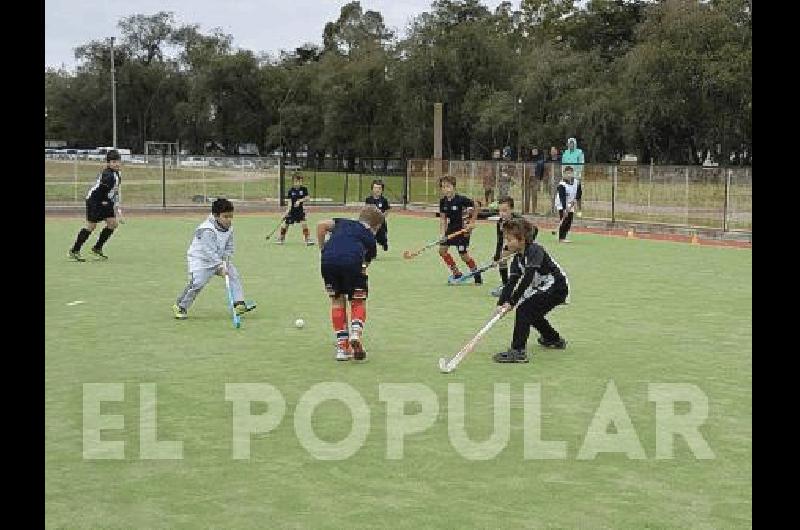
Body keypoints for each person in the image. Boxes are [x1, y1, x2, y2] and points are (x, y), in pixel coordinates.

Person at [492, 217, 569, 363]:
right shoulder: (517, 259)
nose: (507, 244)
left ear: (522, 239)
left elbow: (527, 278)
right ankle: (552, 338)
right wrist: (501, 304)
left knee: (525, 310)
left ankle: (518, 351)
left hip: (557, 286)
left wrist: (513, 302)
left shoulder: (535, 250)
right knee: (532, 312)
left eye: (509, 240)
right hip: (543, 287)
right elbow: (511, 282)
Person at [317, 205, 385, 361]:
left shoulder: (342, 222)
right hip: (353, 264)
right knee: (358, 300)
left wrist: (323, 250)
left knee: (337, 301)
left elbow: (321, 225)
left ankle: (342, 348)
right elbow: (365, 265)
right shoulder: (370, 238)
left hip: (328, 262)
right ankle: (355, 332)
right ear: (376, 226)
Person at [172, 198, 256, 320]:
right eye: (225, 217)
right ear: (216, 216)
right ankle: (180, 306)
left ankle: (238, 304)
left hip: (218, 259)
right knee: (197, 283)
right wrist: (220, 266)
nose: (229, 220)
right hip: (201, 260)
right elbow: (208, 252)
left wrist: (225, 262)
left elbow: (229, 247)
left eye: (231, 216)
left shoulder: (229, 228)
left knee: (233, 274)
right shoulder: (206, 230)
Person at [68, 149, 124, 261]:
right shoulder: (108, 176)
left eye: (117, 161)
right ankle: (75, 250)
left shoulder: (117, 173)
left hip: (106, 200)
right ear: (108, 163)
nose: (116, 163)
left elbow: (114, 191)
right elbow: (100, 192)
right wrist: (104, 203)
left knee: (112, 224)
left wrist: (117, 208)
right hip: (94, 200)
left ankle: (97, 248)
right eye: (113, 162)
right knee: (91, 226)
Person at [490, 197, 538, 297]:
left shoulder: (518, 220)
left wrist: (525, 244)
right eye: (500, 211)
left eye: (505, 210)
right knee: (502, 259)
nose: (502, 213)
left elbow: (535, 229)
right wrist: (496, 257)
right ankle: (505, 285)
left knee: (524, 265)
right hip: (512, 244)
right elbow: (500, 241)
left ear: (511, 210)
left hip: (523, 245)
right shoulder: (500, 223)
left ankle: (533, 285)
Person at [438, 175, 482, 285]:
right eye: (443, 187)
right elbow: (443, 219)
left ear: (454, 187)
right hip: (451, 229)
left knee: (463, 255)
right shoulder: (442, 202)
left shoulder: (461, 200)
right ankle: (456, 273)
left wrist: (472, 222)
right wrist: (443, 234)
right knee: (442, 250)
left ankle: (476, 274)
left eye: (448, 186)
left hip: (463, 231)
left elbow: (476, 206)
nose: (445, 189)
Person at [276, 172, 314, 245]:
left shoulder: (304, 189)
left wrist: (299, 201)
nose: (298, 183)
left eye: (300, 181)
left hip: (300, 211)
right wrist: (286, 212)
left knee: (304, 224)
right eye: (296, 181)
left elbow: (307, 198)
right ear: (293, 182)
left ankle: (307, 239)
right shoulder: (291, 191)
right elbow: (289, 203)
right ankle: (281, 238)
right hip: (292, 211)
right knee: (285, 225)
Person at [553, 166, 582, 243]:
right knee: (564, 219)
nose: (569, 175)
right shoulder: (561, 184)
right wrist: (564, 208)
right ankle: (561, 237)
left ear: (573, 173)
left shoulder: (576, 182)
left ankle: (564, 235)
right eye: (567, 173)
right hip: (561, 203)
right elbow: (562, 197)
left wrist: (575, 199)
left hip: (571, 202)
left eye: (570, 173)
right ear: (564, 174)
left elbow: (579, 192)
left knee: (569, 220)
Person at [364, 179, 391, 251]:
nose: (377, 190)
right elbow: (367, 210)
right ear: (372, 189)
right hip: (372, 223)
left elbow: (387, 210)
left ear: (382, 190)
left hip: (380, 224)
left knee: (381, 238)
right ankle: (371, 251)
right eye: (375, 188)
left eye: (379, 188)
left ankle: (384, 243)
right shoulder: (368, 199)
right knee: (370, 237)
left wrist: (382, 216)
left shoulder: (384, 200)